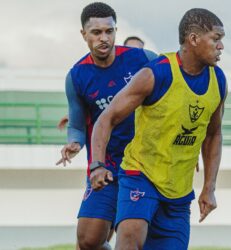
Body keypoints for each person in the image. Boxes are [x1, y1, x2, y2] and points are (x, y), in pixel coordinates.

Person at [90, 8, 227, 250]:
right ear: (193, 39)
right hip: (140, 175)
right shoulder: (155, 74)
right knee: (130, 240)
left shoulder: (219, 81)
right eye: (216, 39)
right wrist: (97, 165)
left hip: (179, 190)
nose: (221, 46)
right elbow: (106, 118)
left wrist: (209, 187)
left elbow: (213, 135)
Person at [56, 2, 156, 250]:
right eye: (96, 32)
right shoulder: (77, 76)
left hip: (143, 163)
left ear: (115, 31)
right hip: (105, 164)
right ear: (84, 35)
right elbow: (77, 124)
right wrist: (74, 142)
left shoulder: (143, 59)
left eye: (109, 31)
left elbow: (170, 100)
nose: (104, 38)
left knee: (133, 237)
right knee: (88, 241)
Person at [57, 35, 147, 131]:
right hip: (111, 139)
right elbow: (94, 104)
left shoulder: (148, 74)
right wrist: (73, 117)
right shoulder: (111, 74)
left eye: (138, 49)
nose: (134, 52)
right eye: (130, 48)